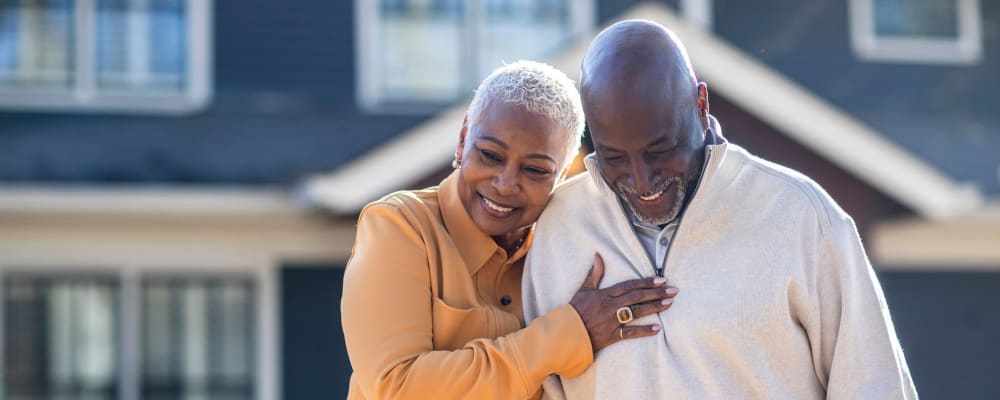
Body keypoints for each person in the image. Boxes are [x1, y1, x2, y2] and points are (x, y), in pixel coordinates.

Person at [522, 20, 918, 399]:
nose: (642, 181)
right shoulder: (556, 227)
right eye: (615, 157)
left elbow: (874, 386)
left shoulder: (801, 216)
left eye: (661, 150)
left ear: (700, 103)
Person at [341, 60, 679, 400]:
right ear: (462, 141)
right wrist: (569, 334)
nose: (505, 184)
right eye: (490, 155)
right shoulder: (398, 227)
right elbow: (396, 388)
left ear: (563, 175)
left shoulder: (564, 249)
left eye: (534, 170)